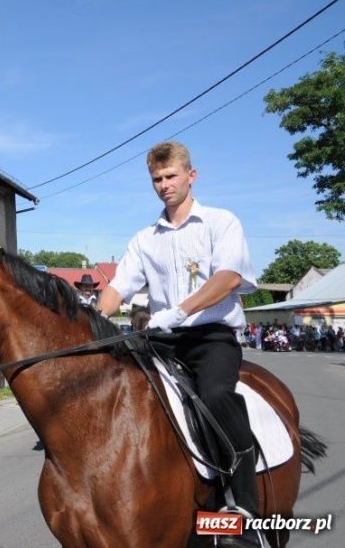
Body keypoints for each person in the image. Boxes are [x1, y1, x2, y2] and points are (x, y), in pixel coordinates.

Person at [97, 141, 263, 548]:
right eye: (156, 179)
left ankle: (245, 509)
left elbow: (228, 278)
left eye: (171, 176)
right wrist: (96, 316)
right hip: (163, 340)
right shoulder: (144, 238)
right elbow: (118, 287)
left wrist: (179, 311)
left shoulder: (221, 223)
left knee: (215, 394)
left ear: (191, 176)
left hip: (211, 335)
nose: (163, 185)